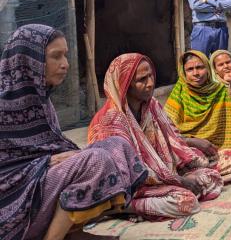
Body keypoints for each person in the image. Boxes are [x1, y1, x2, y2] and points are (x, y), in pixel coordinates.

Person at [0, 25, 147, 240]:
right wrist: (44, 163)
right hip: (14, 206)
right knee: (95, 161)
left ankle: (70, 236)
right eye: (56, 56)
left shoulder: (42, 101)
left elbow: (50, 147)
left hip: (38, 184)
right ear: (28, 60)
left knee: (117, 146)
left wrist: (55, 160)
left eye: (65, 55)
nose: (65, 64)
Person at [88, 53, 223, 220]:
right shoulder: (111, 122)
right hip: (131, 187)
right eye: (142, 79)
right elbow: (128, 174)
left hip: (162, 174)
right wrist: (179, 181)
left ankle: (167, 192)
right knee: (186, 202)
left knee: (215, 172)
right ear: (124, 85)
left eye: (151, 76)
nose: (151, 83)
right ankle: (122, 208)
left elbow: (172, 139)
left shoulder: (151, 105)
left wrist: (190, 149)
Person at [164, 50, 231, 183]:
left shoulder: (219, 91)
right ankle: (204, 178)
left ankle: (199, 179)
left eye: (200, 67)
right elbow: (166, 131)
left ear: (208, 69)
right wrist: (192, 141)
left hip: (213, 151)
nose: (196, 73)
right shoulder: (179, 92)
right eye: (190, 69)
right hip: (187, 149)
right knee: (176, 158)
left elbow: (229, 129)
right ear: (183, 72)